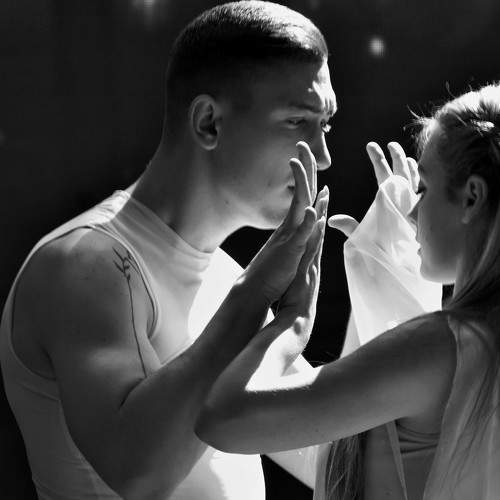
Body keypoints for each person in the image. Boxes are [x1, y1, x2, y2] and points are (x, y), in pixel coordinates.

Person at [0, 2, 334, 499]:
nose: (322, 157)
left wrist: (397, 282)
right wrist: (258, 295)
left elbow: (336, 461)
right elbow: (139, 474)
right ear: (209, 123)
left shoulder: (225, 278)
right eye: (297, 121)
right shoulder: (87, 265)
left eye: (324, 125)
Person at [196, 83, 500, 500]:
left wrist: (290, 321)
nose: (413, 211)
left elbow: (222, 419)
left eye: (424, 189)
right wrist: (392, 282)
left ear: (472, 198)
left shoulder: (440, 347)